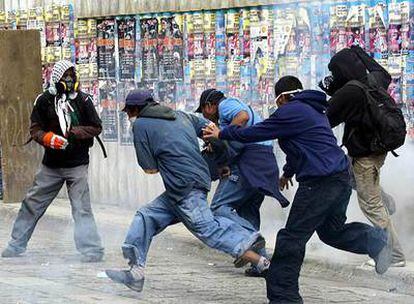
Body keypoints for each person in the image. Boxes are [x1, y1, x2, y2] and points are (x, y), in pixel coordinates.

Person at [203, 76, 392, 304]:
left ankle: (284, 298)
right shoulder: (313, 110)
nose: (277, 106)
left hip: (320, 182)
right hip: (339, 178)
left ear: (282, 97)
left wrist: (222, 134)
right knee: (331, 231)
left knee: (291, 239)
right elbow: (302, 146)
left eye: (278, 102)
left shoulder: (290, 111)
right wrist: (288, 173)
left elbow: (258, 131)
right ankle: (377, 242)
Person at [105, 90, 270, 292]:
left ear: (135, 109)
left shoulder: (139, 125)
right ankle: (135, 272)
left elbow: (149, 168)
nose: (129, 116)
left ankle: (254, 249)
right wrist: (219, 156)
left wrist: (165, 157)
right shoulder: (181, 115)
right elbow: (213, 131)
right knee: (146, 216)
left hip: (183, 187)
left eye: (129, 112)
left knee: (208, 229)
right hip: (190, 183)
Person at [1, 60, 104, 262]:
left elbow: (96, 127)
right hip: (52, 166)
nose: (70, 80)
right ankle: (16, 244)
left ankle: (92, 249)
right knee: (32, 203)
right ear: (56, 79)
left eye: (72, 75)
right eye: (66, 76)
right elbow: (35, 129)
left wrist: (76, 132)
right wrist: (48, 138)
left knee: (81, 207)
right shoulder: (44, 100)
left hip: (77, 164)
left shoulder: (84, 101)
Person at [321, 46, 406, 267]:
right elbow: (382, 72)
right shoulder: (375, 79)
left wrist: (330, 93)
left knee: (370, 204)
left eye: (335, 72)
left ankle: (393, 254)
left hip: (366, 155)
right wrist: (358, 52)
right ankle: (385, 201)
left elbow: (326, 120)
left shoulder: (350, 92)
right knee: (350, 178)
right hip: (379, 149)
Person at [196, 89, 289, 277]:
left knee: (218, 207)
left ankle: (251, 238)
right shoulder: (226, 113)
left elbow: (243, 117)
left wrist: (222, 133)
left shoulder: (225, 105)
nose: (205, 117)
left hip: (251, 162)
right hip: (263, 162)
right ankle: (262, 264)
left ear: (209, 106)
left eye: (204, 111)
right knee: (248, 211)